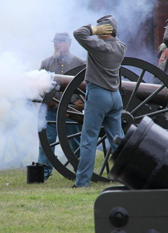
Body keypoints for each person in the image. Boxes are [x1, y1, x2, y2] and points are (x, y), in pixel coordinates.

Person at [72, 15, 126, 187]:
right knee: (118, 141)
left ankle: (81, 183)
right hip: (115, 97)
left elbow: (78, 33)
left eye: (99, 29)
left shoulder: (100, 47)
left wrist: (93, 29)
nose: (96, 33)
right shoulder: (121, 47)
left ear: (104, 30)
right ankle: (128, 177)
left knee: (88, 139)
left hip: (98, 95)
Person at [38, 32, 85, 180]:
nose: (56, 45)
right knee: (47, 140)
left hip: (71, 110)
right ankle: (43, 172)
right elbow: (38, 85)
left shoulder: (80, 63)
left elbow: (87, 86)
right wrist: (46, 98)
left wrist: (80, 103)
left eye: (59, 42)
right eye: (55, 42)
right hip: (51, 109)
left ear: (68, 44)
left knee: (75, 142)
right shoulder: (46, 63)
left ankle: (81, 170)